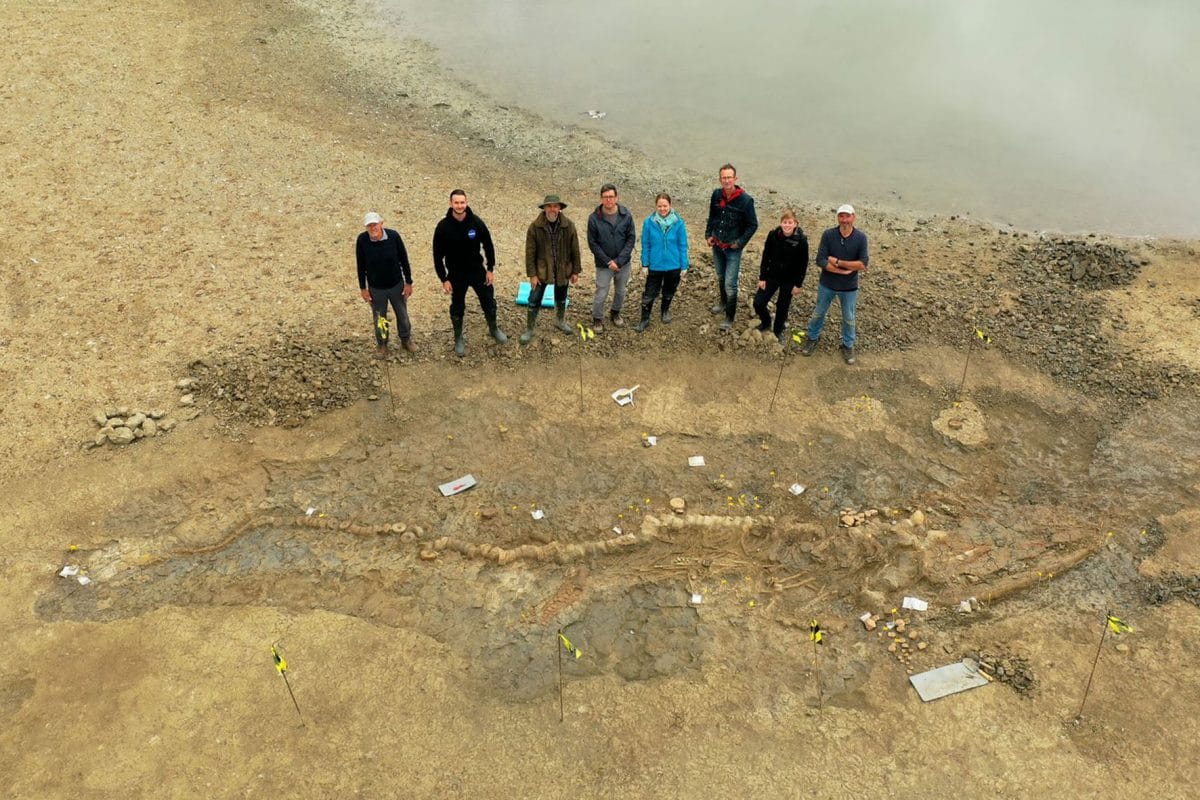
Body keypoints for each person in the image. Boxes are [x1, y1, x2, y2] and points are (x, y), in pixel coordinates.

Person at [432, 189, 507, 357]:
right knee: (457, 306)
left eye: (462, 202)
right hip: (456, 274)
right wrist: (443, 279)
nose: (459, 206)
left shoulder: (476, 223)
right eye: (456, 202)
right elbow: (437, 255)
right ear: (451, 203)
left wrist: (490, 269)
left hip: (477, 271)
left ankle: (493, 329)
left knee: (488, 301)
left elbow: (488, 245)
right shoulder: (443, 227)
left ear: (467, 203)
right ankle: (458, 338)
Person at [802, 204, 869, 364]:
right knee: (819, 313)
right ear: (838, 217)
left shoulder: (861, 238)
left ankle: (848, 345)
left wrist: (838, 262)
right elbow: (821, 260)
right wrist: (843, 271)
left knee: (849, 318)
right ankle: (812, 338)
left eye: (847, 216)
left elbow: (863, 264)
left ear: (853, 217)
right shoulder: (828, 235)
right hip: (827, 284)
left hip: (849, 287)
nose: (844, 220)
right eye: (841, 216)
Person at [521, 194, 582, 345]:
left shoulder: (569, 226)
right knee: (534, 300)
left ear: (560, 208)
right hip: (541, 271)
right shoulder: (534, 227)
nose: (552, 209)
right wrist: (532, 275)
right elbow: (530, 254)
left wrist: (575, 271)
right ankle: (530, 329)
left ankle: (559, 321)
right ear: (544, 208)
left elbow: (575, 249)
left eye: (555, 206)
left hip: (563, 269)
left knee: (561, 297)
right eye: (549, 206)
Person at [704, 163, 758, 330]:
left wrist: (740, 243)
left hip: (733, 249)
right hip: (717, 244)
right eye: (724, 178)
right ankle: (722, 302)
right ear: (720, 179)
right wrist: (708, 234)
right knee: (720, 276)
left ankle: (729, 316)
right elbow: (712, 216)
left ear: (735, 179)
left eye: (729, 177)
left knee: (730, 284)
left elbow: (753, 225)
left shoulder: (746, 201)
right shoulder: (716, 194)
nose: (726, 181)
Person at [356, 211, 417, 355]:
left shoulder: (394, 236)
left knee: (402, 315)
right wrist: (363, 288)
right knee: (380, 318)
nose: (373, 228)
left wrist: (408, 282)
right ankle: (382, 343)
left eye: (375, 224)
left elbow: (404, 259)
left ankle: (406, 339)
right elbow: (361, 265)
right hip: (376, 289)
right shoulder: (362, 240)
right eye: (369, 226)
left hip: (396, 285)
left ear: (381, 223)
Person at [753, 209, 809, 345]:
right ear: (781, 223)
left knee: (782, 306)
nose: (787, 225)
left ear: (795, 224)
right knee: (758, 303)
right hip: (772, 275)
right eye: (784, 222)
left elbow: (803, 264)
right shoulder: (773, 235)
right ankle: (766, 322)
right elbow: (766, 256)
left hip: (789, 279)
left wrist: (798, 285)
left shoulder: (801, 240)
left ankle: (778, 330)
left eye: (790, 222)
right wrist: (762, 277)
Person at [634, 193, 689, 333]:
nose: (662, 209)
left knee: (669, 291)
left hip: (674, 265)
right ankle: (644, 319)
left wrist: (684, 265)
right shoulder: (649, 222)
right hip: (655, 265)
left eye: (665, 206)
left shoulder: (678, 222)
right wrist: (645, 263)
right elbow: (646, 244)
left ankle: (665, 311)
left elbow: (683, 245)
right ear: (656, 206)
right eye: (659, 206)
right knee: (649, 293)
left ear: (670, 205)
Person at [586, 183, 636, 332]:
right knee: (601, 292)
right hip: (604, 264)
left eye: (611, 197)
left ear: (616, 197)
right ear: (601, 199)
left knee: (621, 291)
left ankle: (615, 313)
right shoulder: (594, 218)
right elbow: (593, 243)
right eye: (605, 197)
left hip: (623, 264)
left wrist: (619, 260)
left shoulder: (626, 216)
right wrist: (608, 261)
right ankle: (597, 318)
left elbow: (631, 239)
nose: (608, 200)